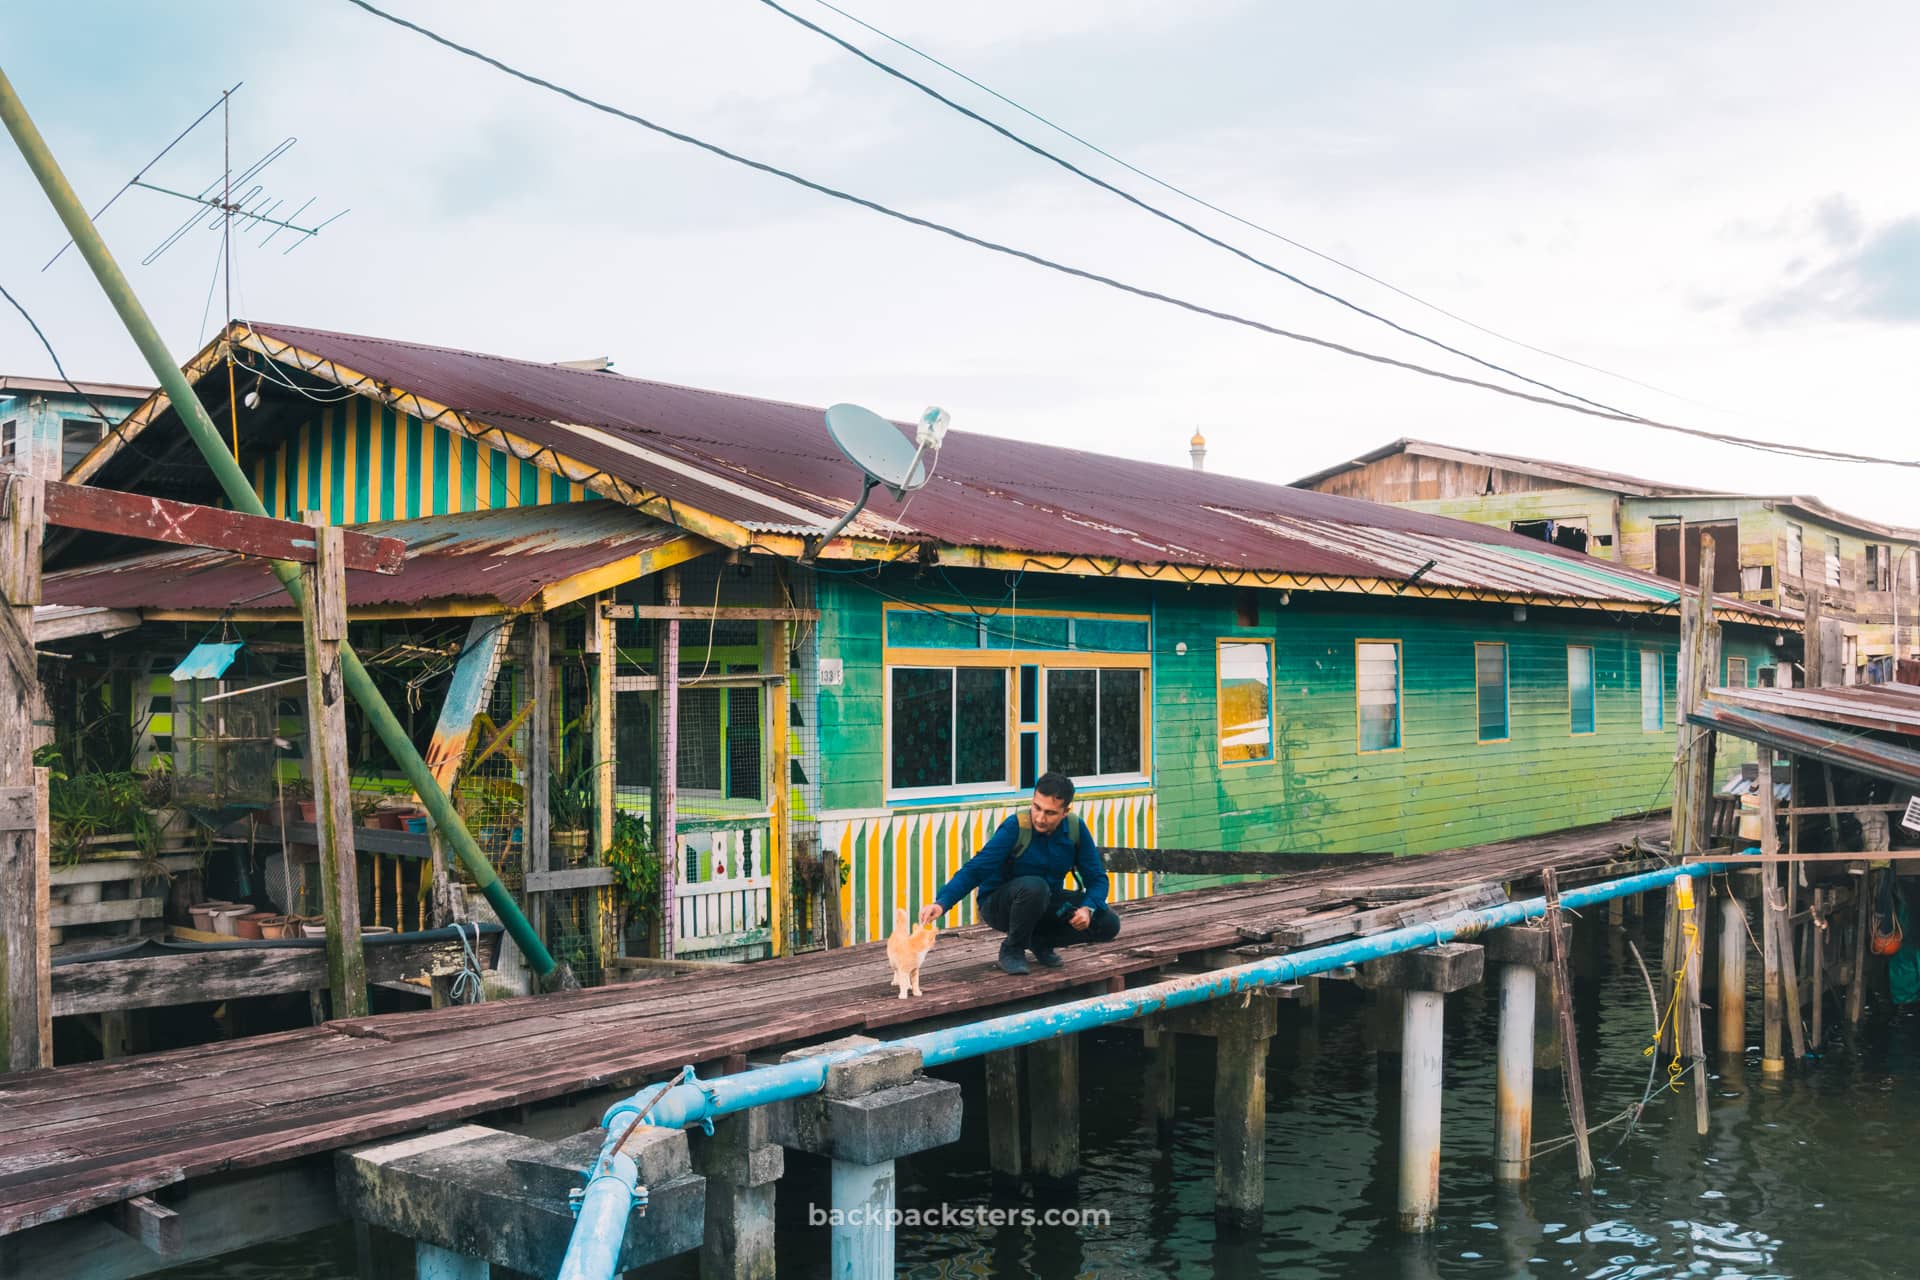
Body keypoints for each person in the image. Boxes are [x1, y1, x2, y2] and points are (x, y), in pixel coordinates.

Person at [919, 772, 1121, 974]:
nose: (1040, 818)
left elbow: (1097, 879)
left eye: (1050, 813)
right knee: (1035, 887)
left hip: (1045, 901)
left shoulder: (1076, 828)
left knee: (1107, 923)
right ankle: (1012, 949)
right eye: (1036, 807)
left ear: (1065, 812)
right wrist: (942, 902)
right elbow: (976, 868)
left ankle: (1040, 941)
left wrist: (1087, 908)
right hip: (1000, 905)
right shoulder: (1015, 827)